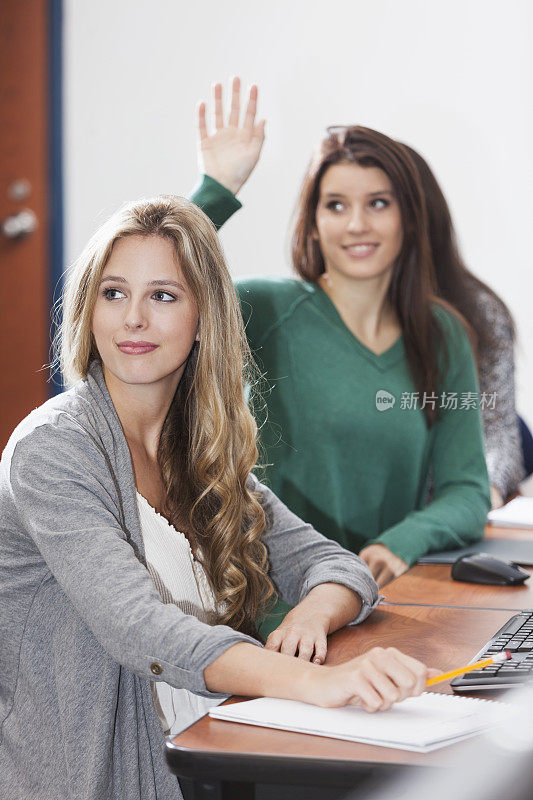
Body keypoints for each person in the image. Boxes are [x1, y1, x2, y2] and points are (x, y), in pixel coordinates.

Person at [0, 195, 435, 800]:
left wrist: (311, 613)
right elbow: (139, 627)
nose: (132, 320)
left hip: (208, 753)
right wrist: (312, 683)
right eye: (114, 292)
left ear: (204, 318)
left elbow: (335, 566)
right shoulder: (53, 450)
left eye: (163, 296)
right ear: (87, 310)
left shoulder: (198, 453)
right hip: (92, 779)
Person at [191, 79, 490, 603]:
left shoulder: (441, 334)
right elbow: (150, 280)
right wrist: (218, 187)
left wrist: (401, 542)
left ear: (408, 217)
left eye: (378, 203)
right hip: (273, 603)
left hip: (373, 602)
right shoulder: (263, 308)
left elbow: (467, 490)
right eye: (335, 205)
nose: (357, 224)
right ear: (313, 220)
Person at [401, 144, 524, 508]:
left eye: (381, 205)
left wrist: (480, 495)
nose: (361, 225)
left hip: (444, 518)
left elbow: (500, 433)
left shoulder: (477, 312)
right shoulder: (319, 313)